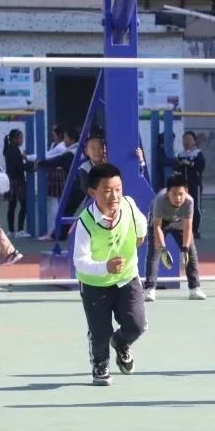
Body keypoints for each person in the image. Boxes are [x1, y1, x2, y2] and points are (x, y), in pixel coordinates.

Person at [73, 163, 148, 386]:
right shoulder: (85, 223)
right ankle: (100, 363)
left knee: (137, 325)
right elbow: (80, 261)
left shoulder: (129, 205)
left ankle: (121, 342)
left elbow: (141, 227)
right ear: (92, 192)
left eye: (118, 189)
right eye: (107, 191)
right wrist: (105, 267)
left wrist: (140, 235)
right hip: (95, 284)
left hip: (127, 278)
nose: (114, 195)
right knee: (100, 332)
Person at [144, 175, 206, 302]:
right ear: (168, 192)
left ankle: (194, 288)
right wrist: (163, 249)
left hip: (179, 223)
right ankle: (150, 289)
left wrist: (184, 249)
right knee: (154, 253)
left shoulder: (189, 201)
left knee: (191, 253)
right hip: (160, 223)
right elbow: (157, 227)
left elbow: (188, 227)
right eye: (174, 194)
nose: (178, 198)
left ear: (186, 192)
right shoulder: (160, 200)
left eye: (181, 194)